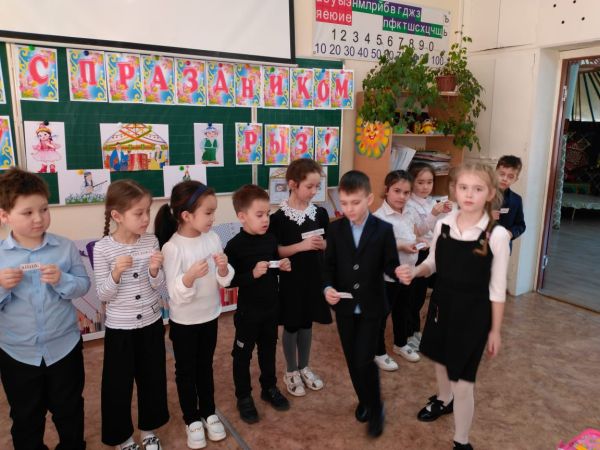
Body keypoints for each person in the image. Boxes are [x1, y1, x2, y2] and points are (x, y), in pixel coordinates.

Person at [396, 162, 510, 450]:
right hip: (441, 306)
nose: (469, 194)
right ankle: (442, 400)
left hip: (474, 315)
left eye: (477, 189)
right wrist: (415, 271)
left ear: (490, 193)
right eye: (463, 187)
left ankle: (461, 441)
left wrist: (495, 331)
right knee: (440, 360)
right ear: (454, 190)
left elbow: (498, 290)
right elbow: (432, 262)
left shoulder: (497, 235)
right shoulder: (443, 224)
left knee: (463, 381)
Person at [0, 168, 90, 449]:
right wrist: (2, 286)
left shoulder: (65, 247)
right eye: (27, 212)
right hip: (18, 353)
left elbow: (83, 286)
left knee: (70, 410)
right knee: (26, 417)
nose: (38, 218)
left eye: (44, 209)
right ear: (4, 215)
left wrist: (62, 280)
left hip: (64, 347)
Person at [155, 180, 233, 449]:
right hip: (185, 322)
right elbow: (174, 294)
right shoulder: (172, 247)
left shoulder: (213, 238)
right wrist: (188, 277)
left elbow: (224, 279)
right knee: (186, 371)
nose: (213, 218)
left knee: (205, 366)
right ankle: (192, 419)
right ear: (187, 215)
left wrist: (223, 269)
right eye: (208, 212)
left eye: (214, 212)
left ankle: (208, 412)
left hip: (210, 316)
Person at [323, 170, 400, 438]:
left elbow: (391, 264)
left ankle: (376, 408)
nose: (349, 209)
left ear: (368, 199)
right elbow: (328, 267)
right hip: (345, 308)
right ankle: (364, 399)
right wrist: (327, 288)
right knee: (352, 359)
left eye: (355, 202)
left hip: (372, 306)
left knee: (364, 358)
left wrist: (398, 272)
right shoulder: (335, 230)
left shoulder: (383, 230)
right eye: (344, 203)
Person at [93, 179, 169, 450]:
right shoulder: (103, 248)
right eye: (139, 213)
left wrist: (154, 271)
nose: (146, 218)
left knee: (153, 379)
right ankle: (122, 438)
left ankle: (149, 429)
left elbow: (159, 286)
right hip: (120, 330)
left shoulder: (151, 240)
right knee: (117, 386)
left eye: (148, 211)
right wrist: (115, 273)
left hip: (151, 323)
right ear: (117, 216)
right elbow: (103, 295)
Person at [224, 184, 292, 424]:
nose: (266, 220)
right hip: (248, 312)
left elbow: (273, 267)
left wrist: (282, 266)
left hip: (271, 309)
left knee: (268, 350)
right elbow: (228, 281)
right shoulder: (234, 246)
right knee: (242, 355)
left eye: (268, 214)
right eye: (260, 215)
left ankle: (269, 387)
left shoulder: (271, 239)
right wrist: (251, 274)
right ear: (242, 217)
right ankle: (243, 396)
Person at [268, 159, 331, 397]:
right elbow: (277, 251)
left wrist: (322, 244)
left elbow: (327, 243)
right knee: (292, 324)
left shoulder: (320, 213)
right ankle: (291, 370)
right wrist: (301, 246)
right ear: (293, 184)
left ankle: (304, 366)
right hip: (291, 280)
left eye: (317, 186)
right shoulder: (279, 218)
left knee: (307, 323)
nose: (314, 191)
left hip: (314, 278)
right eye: (310, 186)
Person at [373, 170, 428, 370]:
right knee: (382, 314)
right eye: (397, 191)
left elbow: (414, 234)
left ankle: (401, 343)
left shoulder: (409, 212)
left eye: (406, 192)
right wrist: (401, 245)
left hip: (408, 272)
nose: (402, 196)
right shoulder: (378, 217)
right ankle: (378, 351)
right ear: (387, 190)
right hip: (387, 277)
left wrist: (418, 241)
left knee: (403, 309)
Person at [405, 162, 452, 352]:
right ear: (411, 182)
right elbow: (419, 230)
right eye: (420, 182)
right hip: (416, 254)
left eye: (429, 182)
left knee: (421, 296)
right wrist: (434, 214)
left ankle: (415, 330)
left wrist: (446, 213)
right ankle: (408, 333)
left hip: (430, 252)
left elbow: (437, 228)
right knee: (412, 297)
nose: (425, 187)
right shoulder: (408, 204)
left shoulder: (432, 202)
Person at [494, 155, 526, 249]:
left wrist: (511, 233)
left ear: (516, 179)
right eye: (502, 174)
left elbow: (520, 225)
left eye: (510, 177)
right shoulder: (482, 194)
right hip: (480, 246)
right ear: (495, 173)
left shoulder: (516, 200)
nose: (505, 179)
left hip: (503, 247)